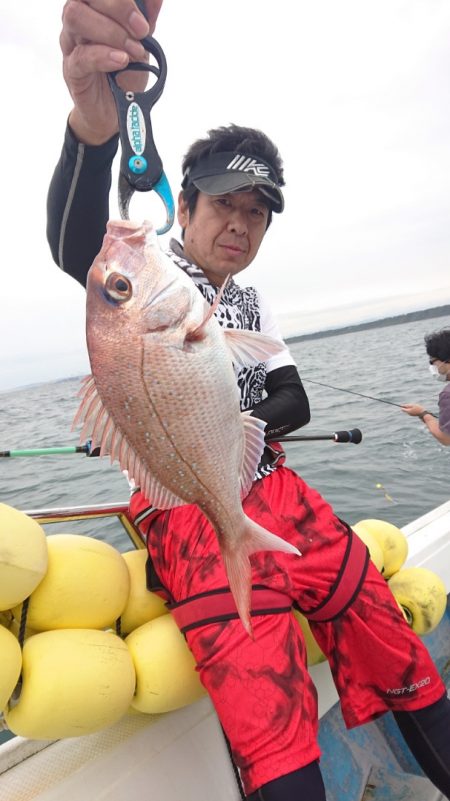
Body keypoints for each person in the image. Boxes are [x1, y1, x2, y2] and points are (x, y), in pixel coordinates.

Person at [47, 3, 450, 799]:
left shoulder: (251, 300)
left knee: (388, 635)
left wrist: (233, 427)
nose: (241, 224)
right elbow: (74, 246)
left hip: (277, 493)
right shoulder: (149, 276)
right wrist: (94, 127)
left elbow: (291, 396)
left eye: (257, 212)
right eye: (226, 203)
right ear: (184, 205)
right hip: (189, 510)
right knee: (266, 709)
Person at [401, 328, 450, 446]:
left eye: (433, 362)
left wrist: (423, 414)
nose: (433, 366)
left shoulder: (447, 395)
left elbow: (446, 439)